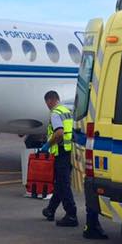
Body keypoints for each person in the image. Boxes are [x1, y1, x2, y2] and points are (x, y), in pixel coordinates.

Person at [41, 90, 78, 226]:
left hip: (61, 152)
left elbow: (59, 133)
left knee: (63, 184)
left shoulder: (55, 113)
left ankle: (71, 214)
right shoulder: (66, 110)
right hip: (69, 151)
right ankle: (50, 210)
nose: (47, 106)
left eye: (47, 103)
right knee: (60, 183)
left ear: (50, 100)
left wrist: (47, 144)